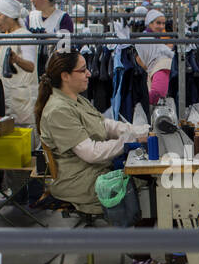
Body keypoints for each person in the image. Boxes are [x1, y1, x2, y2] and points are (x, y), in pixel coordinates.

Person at [36, 50, 145, 222]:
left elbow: (105, 125)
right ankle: (140, 243)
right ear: (65, 76)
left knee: (145, 177)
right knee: (146, 187)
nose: (89, 73)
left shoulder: (76, 99)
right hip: (79, 181)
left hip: (91, 171)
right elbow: (91, 152)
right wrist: (129, 140)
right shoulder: (59, 110)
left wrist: (138, 131)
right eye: (82, 70)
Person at [0, 0, 39, 127]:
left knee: (27, 136)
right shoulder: (6, 36)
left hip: (23, 100)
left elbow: (31, 67)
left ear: (9, 16)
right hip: (9, 97)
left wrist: (16, 59)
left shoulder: (25, 36)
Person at [136, 8, 175, 105]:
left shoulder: (152, 39)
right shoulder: (146, 40)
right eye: (158, 23)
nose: (162, 26)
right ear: (150, 23)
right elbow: (157, 93)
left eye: (163, 23)